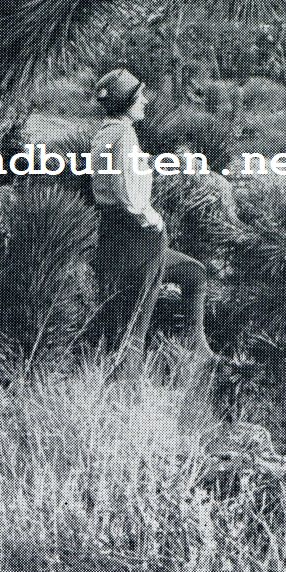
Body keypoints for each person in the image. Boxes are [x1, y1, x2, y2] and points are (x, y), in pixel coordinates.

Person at [88, 67, 212, 357]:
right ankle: (129, 389)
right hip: (137, 238)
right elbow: (127, 194)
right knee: (134, 326)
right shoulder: (124, 136)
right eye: (139, 96)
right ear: (126, 103)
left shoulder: (107, 133)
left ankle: (197, 346)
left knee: (193, 273)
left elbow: (119, 175)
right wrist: (152, 219)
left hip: (115, 233)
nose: (144, 101)